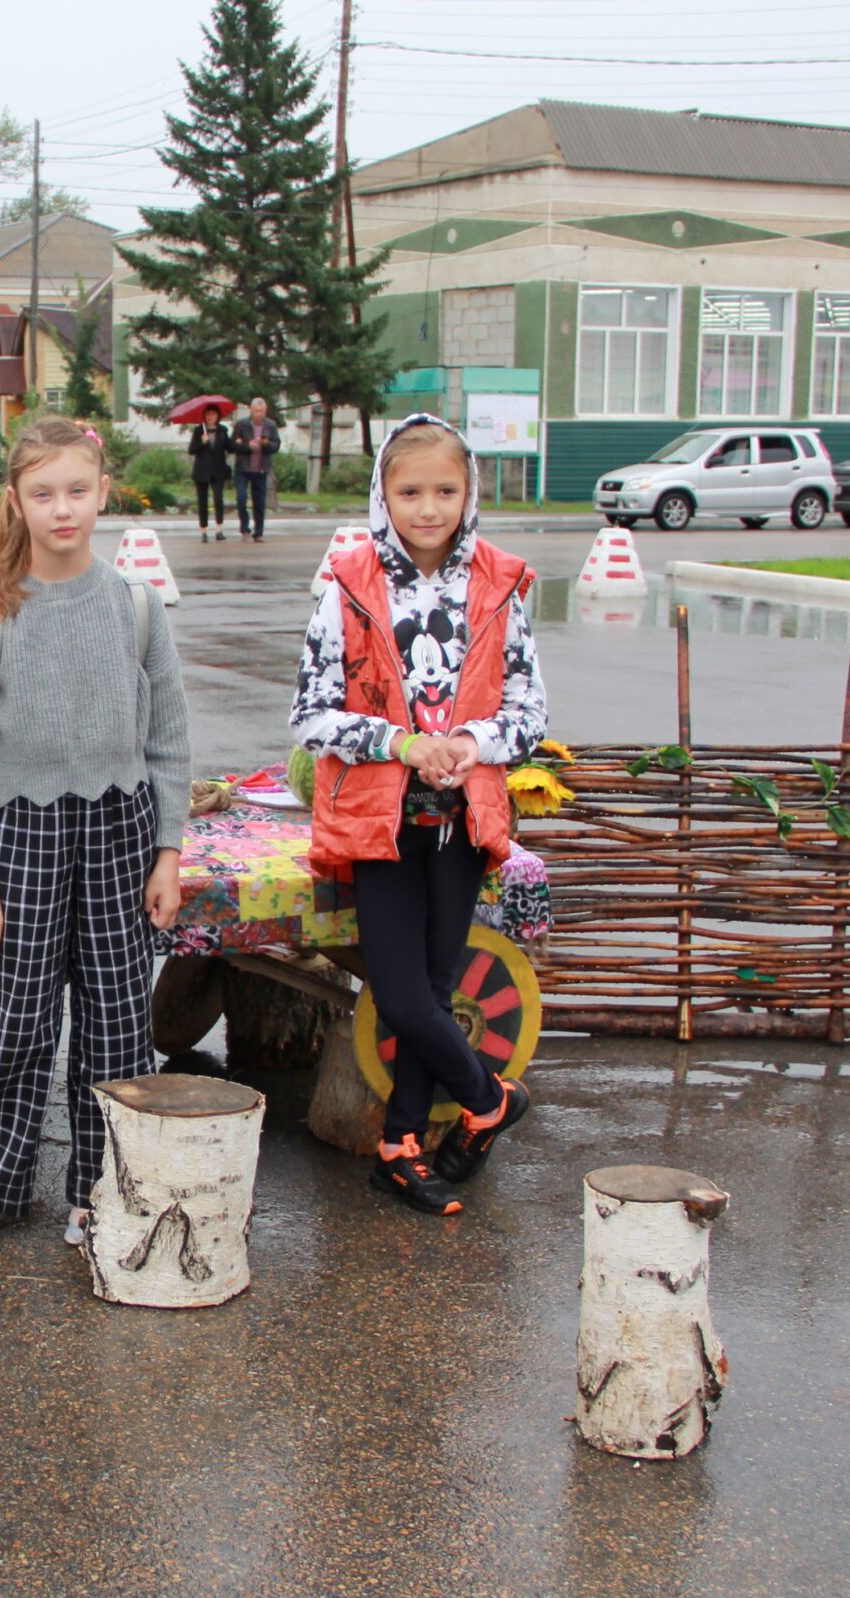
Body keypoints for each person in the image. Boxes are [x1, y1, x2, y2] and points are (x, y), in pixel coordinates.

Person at [0, 416, 193, 1254]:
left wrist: (169, 853)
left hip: (121, 831)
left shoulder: (137, 607)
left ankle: (101, 1188)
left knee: (117, 1019)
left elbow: (170, 739)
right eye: (43, 493)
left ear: (104, 493)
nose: (62, 508)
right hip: (23, 837)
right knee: (17, 1017)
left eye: (78, 490)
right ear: (15, 500)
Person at [289, 414, 545, 1216]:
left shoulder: (501, 582)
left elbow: (529, 709)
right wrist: (401, 744)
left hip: (463, 819)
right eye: (410, 491)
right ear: (382, 494)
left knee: (433, 986)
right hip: (381, 819)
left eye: (446, 489)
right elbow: (310, 713)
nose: (428, 507)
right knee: (401, 995)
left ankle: (399, 1147)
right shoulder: (348, 583)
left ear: (469, 492)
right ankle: (488, 1096)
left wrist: (471, 741)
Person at [230, 396, 279, 540]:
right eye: (256, 411)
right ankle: (244, 526)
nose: (259, 414)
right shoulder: (241, 424)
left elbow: (276, 446)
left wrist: (265, 444)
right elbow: (232, 445)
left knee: (259, 501)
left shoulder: (271, 425)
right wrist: (246, 446)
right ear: (251, 410)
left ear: (265, 411)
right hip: (243, 469)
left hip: (261, 469)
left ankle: (258, 531)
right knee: (241, 497)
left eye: (261, 411)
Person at [186, 405, 231, 542]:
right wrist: (202, 442)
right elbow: (192, 450)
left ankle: (219, 530)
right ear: (204, 416)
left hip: (218, 470)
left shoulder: (222, 430)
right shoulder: (199, 430)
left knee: (218, 499)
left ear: (218, 416)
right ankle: (204, 531)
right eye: (208, 414)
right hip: (202, 471)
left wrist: (241, 444)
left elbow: (229, 446)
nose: (210, 417)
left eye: (213, 414)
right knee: (202, 501)